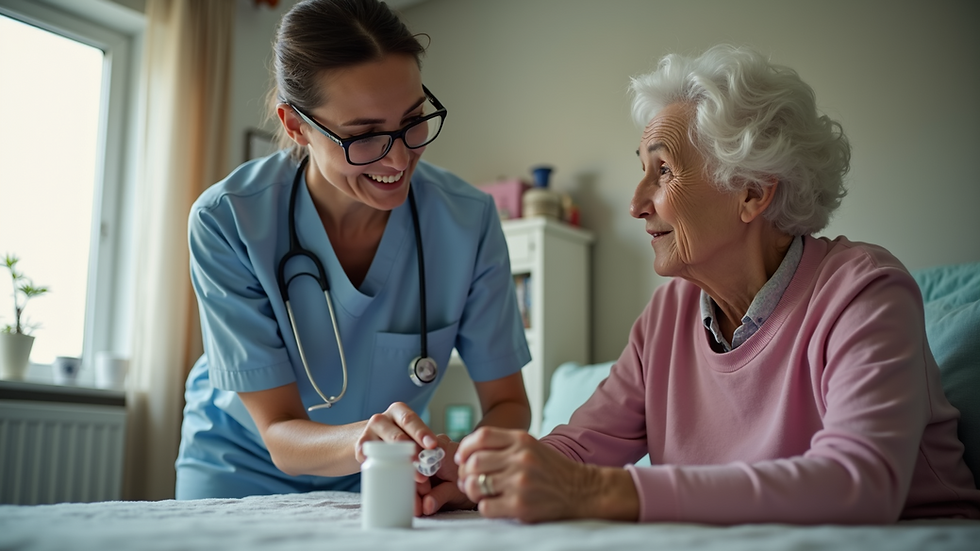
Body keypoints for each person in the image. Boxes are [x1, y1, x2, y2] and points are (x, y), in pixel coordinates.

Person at [443, 45, 980, 524]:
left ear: (751, 192)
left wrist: (594, 491)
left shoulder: (863, 294)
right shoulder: (667, 316)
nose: (635, 203)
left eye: (664, 171)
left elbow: (858, 483)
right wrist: (473, 476)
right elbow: (579, 449)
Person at [175, 0, 531, 505]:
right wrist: (365, 441)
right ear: (296, 126)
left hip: (389, 474)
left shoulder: (467, 221)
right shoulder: (229, 220)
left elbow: (509, 403)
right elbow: (278, 430)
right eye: (364, 136)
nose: (401, 157)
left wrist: (463, 463)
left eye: (413, 120)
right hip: (241, 463)